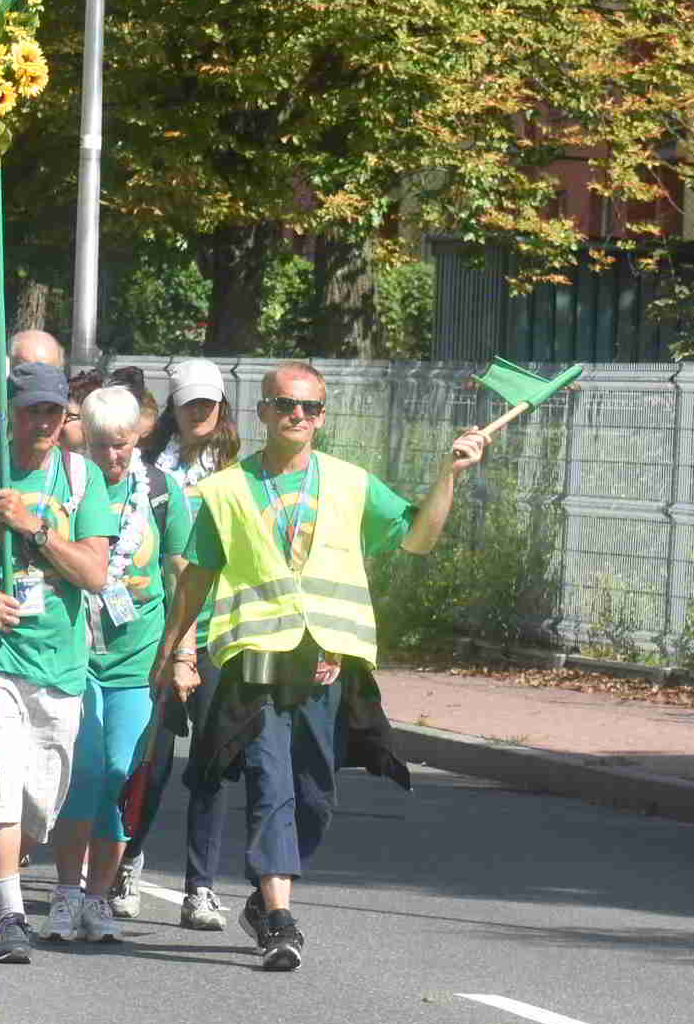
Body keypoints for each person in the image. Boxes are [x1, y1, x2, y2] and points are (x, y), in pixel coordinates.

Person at [155, 362, 489, 971]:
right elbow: (197, 576)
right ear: (263, 412)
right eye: (286, 405)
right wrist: (175, 650)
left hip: (326, 666)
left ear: (322, 416)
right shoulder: (226, 490)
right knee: (270, 785)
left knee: (316, 798)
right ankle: (280, 919)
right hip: (256, 664)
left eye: (310, 408)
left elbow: (418, 538)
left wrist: (449, 474)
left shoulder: (350, 483)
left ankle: (263, 896)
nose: (298, 416)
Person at [0, 358, 114, 960]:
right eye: (31, 410)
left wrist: (32, 528)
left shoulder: (83, 479)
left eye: (52, 412)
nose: (42, 422)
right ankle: (8, 913)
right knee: (2, 786)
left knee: (40, 802)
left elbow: (94, 574)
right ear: (10, 414)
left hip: (60, 666)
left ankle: (2, 870)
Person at [45, 385, 189, 942]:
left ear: (139, 437)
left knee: (119, 774)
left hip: (137, 658)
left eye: (122, 444)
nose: (112, 456)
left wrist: (182, 652)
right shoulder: (68, 485)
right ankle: (66, 891)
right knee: (83, 771)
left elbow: (183, 576)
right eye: (101, 444)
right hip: (75, 653)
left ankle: (98, 897)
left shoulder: (160, 491)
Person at [147, 358, 238, 488]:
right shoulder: (147, 460)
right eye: (188, 402)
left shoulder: (234, 471)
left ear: (221, 407)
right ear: (172, 408)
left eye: (206, 402)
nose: (197, 410)